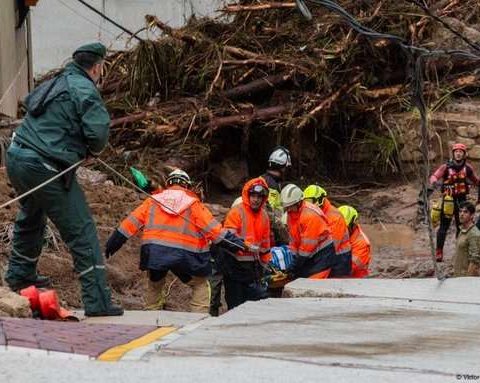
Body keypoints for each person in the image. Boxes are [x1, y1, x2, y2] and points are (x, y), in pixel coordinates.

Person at [4, 42, 123, 317]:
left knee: (32, 214)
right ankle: (98, 301)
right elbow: (99, 131)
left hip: (17, 156)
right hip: (44, 165)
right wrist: (91, 150)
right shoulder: (85, 89)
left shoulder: (56, 82)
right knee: (81, 229)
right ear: (96, 67)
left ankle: (21, 276)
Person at [105, 169, 244, 313]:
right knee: (201, 285)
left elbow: (130, 223)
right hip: (186, 257)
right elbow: (215, 232)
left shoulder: (153, 200)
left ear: (168, 184)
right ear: (187, 186)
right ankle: (198, 321)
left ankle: (152, 316)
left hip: (155, 253)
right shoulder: (193, 204)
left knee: (155, 283)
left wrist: (114, 242)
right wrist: (237, 245)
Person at [216, 178, 271, 310]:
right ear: (248, 195)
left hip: (252, 268)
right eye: (253, 195)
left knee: (254, 306)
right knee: (235, 305)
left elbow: (265, 244)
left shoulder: (264, 216)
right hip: (233, 265)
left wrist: (265, 266)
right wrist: (246, 245)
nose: (255, 199)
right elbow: (229, 239)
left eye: (259, 197)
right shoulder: (236, 212)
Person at [280, 184, 344, 279]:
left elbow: (307, 247)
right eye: (286, 207)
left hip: (323, 256)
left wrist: (295, 265)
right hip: (308, 255)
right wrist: (293, 257)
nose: (288, 209)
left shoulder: (310, 216)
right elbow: (294, 239)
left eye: (290, 206)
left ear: (298, 202)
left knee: (313, 284)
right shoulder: (291, 215)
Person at [429, 143, 480, 262]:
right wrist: (434, 182)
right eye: (456, 151)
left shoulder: (468, 168)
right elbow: (434, 177)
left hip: (461, 201)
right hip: (448, 200)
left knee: (460, 226)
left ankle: (459, 251)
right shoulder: (445, 167)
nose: (458, 153)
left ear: (464, 154)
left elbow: (476, 181)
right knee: (443, 227)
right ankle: (439, 252)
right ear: (453, 153)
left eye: (460, 152)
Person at [303, 185, 352, 277]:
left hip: (339, 259)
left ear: (320, 200)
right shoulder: (314, 214)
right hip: (324, 255)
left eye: (310, 202)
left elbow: (333, 245)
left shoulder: (335, 217)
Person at [338, 205, 371, 278]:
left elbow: (348, 268)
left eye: (344, 227)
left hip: (354, 281)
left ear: (353, 225)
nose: (341, 230)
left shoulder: (362, 243)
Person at [454, 202, 480, 277]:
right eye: (460, 211)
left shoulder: (474, 234)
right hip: (458, 276)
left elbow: (475, 260)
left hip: (466, 280)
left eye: (465, 212)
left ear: (472, 215)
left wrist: (467, 281)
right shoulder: (462, 231)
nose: (461, 214)